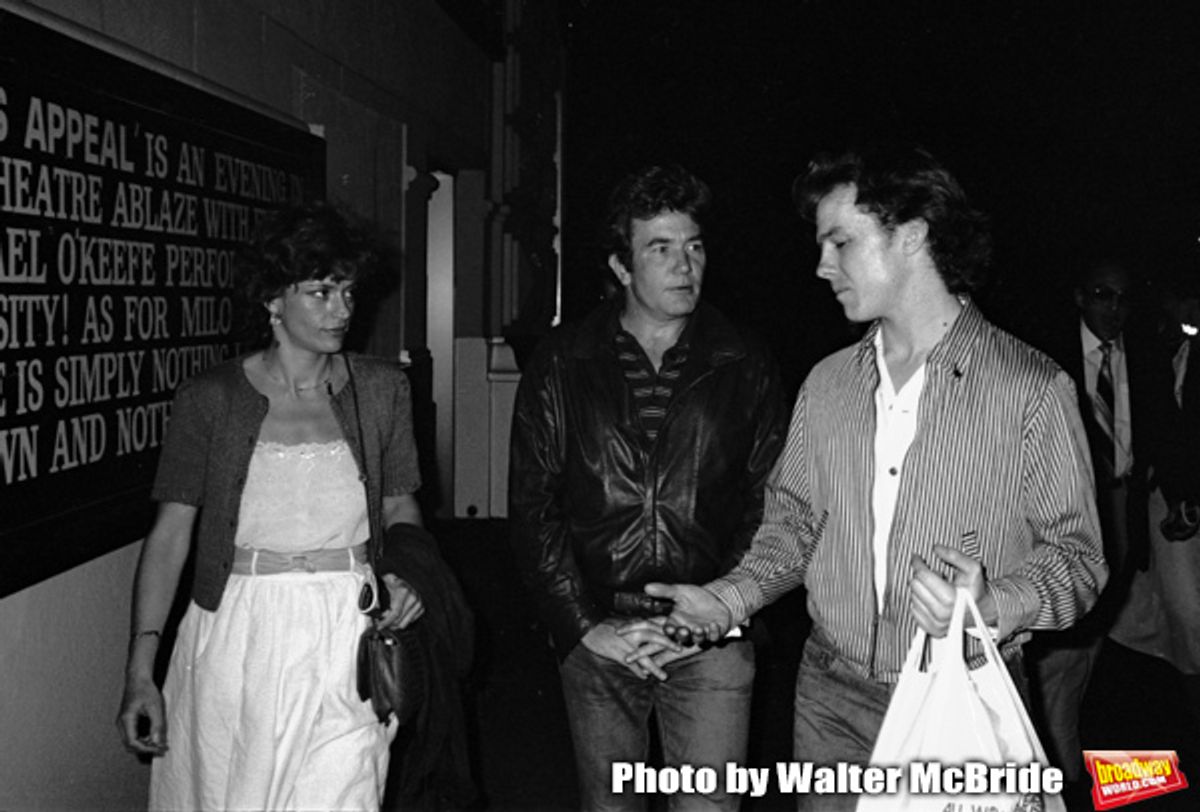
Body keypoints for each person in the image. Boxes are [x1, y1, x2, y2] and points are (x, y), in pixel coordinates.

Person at [642, 145, 1108, 811]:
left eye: (840, 242)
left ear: (911, 235)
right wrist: (726, 601)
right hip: (831, 695)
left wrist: (995, 602)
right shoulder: (829, 383)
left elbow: (1081, 560)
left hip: (960, 696)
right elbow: (794, 526)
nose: (822, 266)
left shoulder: (1029, 388)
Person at [116, 201, 427, 811]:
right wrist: (139, 671)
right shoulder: (210, 399)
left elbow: (401, 508)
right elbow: (170, 535)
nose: (341, 310)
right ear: (273, 301)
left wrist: (408, 577)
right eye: (320, 292)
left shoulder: (382, 390)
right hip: (238, 632)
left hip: (349, 631)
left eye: (347, 292)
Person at [508, 164, 787, 811]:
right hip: (603, 634)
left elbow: (771, 500)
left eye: (693, 246)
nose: (684, 264)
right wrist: (583, 625)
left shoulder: (743, 359)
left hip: (714, 636)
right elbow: (533, 507)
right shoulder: (563, 360)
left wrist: (716, 607)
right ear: (620, 265)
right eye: (660, 248)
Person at [1026, 259, 1181, 788]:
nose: (1113, 309)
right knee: (1066, 649)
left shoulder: (1143, 357)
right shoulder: (1046, 357)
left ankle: (1113, 768)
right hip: (1062, 511)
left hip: (1121, 503)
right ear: (1079, 297)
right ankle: (1058, 771)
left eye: (1122, 298)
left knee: (1112, 636)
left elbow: (1162, 431)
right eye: (1101, 295)